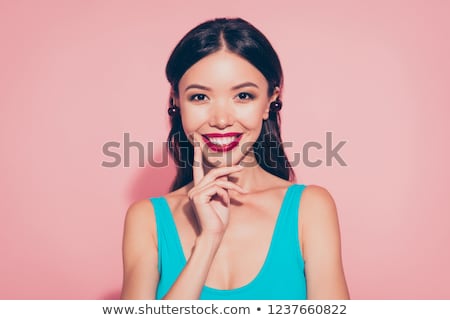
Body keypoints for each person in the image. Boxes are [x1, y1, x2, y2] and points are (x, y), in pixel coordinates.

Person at [120, 17, 349, 300]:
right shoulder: (147, 220)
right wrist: (208, 241)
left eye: (243, 95)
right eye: (200, 97)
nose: (221, 119)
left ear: (269, 100)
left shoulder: (310, 209)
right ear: (176, 101)